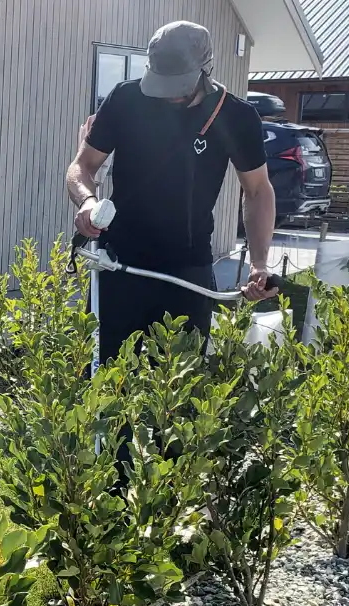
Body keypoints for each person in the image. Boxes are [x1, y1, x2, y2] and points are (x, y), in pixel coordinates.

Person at [66, 20, 279, 367]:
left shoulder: (236, 117)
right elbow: (82, 166)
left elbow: (257, 191)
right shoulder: (126, 99)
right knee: (104, 387)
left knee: (180, 394)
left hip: (188, 271)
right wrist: (88, 202)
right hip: (118, 264)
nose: (168, 95)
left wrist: (258, 264)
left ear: (205, 70)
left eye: (177, 86)